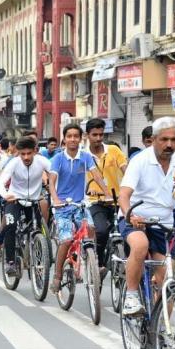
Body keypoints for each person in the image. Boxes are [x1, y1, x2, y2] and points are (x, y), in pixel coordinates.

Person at [118, 117, 175, 316]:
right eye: (164, 139)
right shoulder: (140, 160)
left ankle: (161, 330)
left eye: (174, 140)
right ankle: (131, 296)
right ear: (154, 139)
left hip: (164, 223)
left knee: (166, 281)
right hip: (135, 218)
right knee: (140, 245)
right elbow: (124, 195)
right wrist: (131, 215)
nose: (170, 144)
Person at [48, 123, 108, 294]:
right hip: (62, 207)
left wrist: (107, 193)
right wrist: (56, 199)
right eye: (69, 136)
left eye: (76, 136)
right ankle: (58, 276)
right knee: (66, 240)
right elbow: (51, 181)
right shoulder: (58, 159)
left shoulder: (85, 157)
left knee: (91, 228)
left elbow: (96, 175)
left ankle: (93, 263)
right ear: (64, 139)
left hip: (80, 204)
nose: (73, 139)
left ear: (81, 138)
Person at [0, 137, 50, 276]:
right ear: (18, 153)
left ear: (35, 152)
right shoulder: (13, 163)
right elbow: (0, 183)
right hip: (15, 200)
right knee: (10, 226)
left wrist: (55, 190)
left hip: (34, 200)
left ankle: (40, 255)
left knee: (38, 229)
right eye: (22, 154)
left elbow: (56, 175)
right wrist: (6, 195)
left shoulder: (42, 162)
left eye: (29, 153)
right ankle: (10, 262)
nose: (26, 157)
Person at [85, 118, 127, 276]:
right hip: (95, 202)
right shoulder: (83, 155)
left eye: (101, 135)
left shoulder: (114, 151)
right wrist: (89, 191)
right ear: (87, 135)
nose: (98, 138)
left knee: (128, 232)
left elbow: (125, 169)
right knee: (101, 231)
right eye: (94, 134)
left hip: (117, 200)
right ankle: (100, 263)